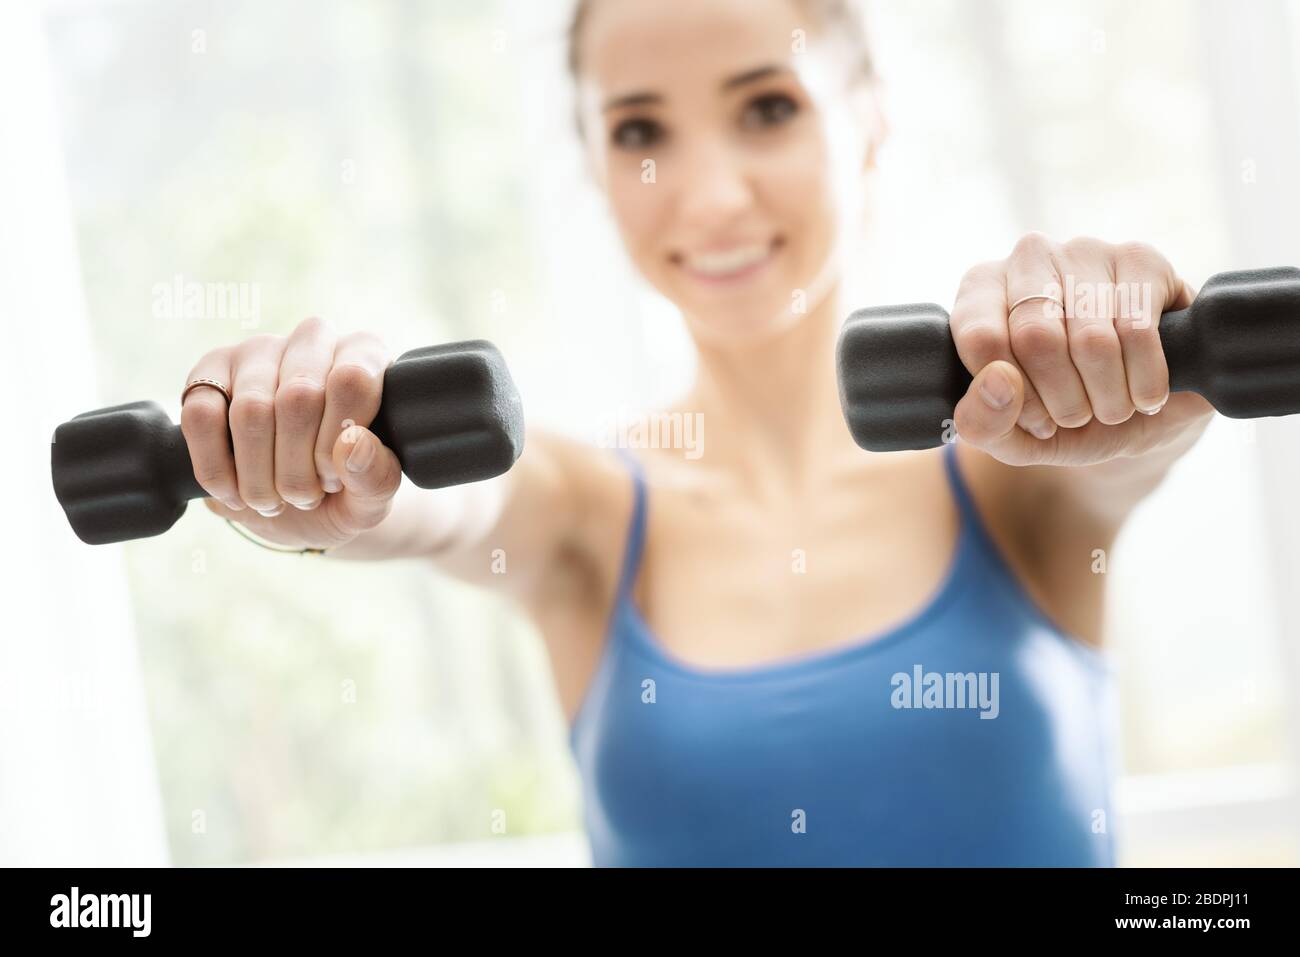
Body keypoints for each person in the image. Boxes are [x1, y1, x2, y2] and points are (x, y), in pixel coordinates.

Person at [177, 0, 1214, 865]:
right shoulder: (587, 517)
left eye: (766, 107)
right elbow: (454, 503)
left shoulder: (1016, 471)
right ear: (590, 161)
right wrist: (338, 473)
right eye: (639, 132)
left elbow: (1128, 455)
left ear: (871, 118)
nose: (711, 197)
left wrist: (1149, 379)